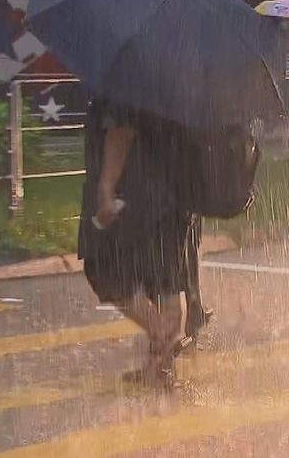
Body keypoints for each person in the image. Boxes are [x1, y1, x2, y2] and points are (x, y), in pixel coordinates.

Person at [79, 96, 200, 389]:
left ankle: (161, 340)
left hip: (135, 192)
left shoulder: (127, 79)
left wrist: (106, 188)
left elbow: (123, 127)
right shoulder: (174, 77)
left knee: (105, 268)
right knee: (165, 279)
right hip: (175, 192)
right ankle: (161, 370)